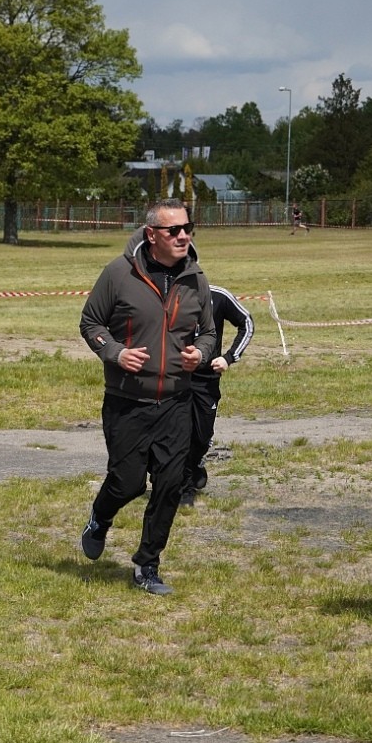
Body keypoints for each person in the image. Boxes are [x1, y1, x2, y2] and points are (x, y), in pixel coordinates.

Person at [79, 198, 216, 595]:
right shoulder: (119, 274)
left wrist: (201, 353)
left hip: (176, 399)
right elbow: (91, 322)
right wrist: (115, 352)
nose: (183, 236)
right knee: (128, 483)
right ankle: (100, 519)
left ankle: (147, 565)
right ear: (152, 234)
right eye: (174, 230)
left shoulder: (196, 278)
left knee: (171, 484)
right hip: (127, 401)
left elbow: (207, 332)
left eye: (188, 228)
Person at [180, 284, 254, 507]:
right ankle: (184, 489)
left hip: (206, 380)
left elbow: (247, 323)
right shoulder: (166, 295)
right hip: (175, 378)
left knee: (201, 437)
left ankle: (196, 462)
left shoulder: (218, 297)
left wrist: (229, 358)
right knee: (178, 434)